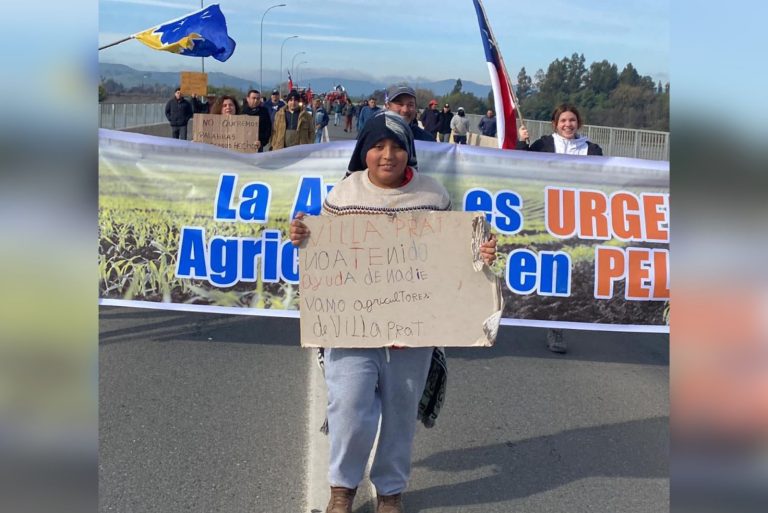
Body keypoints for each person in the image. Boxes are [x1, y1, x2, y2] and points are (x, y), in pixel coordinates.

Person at [289, 111, 497, 513]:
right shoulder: (342, 197)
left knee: (400, 415)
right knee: (348, 408)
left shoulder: (434, 196)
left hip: (412, 333)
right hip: (353, 330)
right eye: (378, 147)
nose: (388, 155)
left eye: (398, 146)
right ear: (363, 152)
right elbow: (327, 255)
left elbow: (455, 257)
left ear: (410, 152)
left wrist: (481, 253)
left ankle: (390, 492)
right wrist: (302, 235)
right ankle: (341, 489)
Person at [516, 103, 603, 353]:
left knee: (568, 273)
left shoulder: (592, 150)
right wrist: (522, 143)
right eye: (563, 120)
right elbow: (517, 164)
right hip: (545, 219)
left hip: (578, 221)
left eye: (572, 120)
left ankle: (556, 323)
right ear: (555, 124)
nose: (568, 124)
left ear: (579, 123)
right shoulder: (543, 145)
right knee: (547, 269)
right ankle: (541, 319)